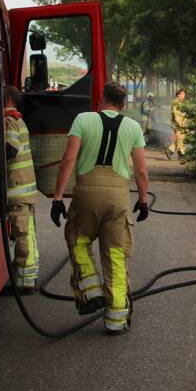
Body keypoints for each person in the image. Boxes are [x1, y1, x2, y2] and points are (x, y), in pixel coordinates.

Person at [50, 82, 149, 334]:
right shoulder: (133, 127)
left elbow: (68, 160)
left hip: (86, 195)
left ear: (101, 99)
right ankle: (116, 320)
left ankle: (91, 291)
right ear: (123, 105)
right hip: (118, 198)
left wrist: (58, 197)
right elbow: (140, 171)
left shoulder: (83, 120)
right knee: (115, 255)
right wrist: (143, 200)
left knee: (78, 240)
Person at [4, 85, 39, 293]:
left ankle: (25, 283)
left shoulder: (9, 120)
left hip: (16, 188)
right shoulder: (19, 119)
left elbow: (11, 148)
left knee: (22, 234)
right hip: (25, 189)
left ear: (8, 99)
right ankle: (28, 278)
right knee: (28, 233)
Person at [168, 88, 188, 159]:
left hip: (180, 123)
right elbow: (176, 114)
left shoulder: (181, 102)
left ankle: (171, 151)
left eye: (184, 94)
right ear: (178, 95)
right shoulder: (176, 102)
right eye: (183, 94)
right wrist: (181, 124)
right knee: (181, 137)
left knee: (180, 137)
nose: (184, 95)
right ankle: (180, 153)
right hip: (176, 124)